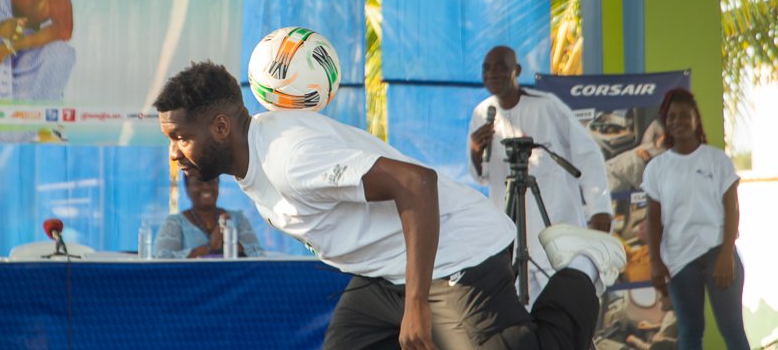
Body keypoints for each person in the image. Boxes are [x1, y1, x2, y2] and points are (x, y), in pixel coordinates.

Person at [154, 61, 626, 349]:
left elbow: (417, 184)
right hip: (384, 274)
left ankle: (583, 265)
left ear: (221, 127)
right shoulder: (254, 149)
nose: (174, 153)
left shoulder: (290, 159)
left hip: (456, 257)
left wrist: (417, 304)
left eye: (180, 137)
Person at [468, 45, 613, 305]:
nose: (492, 74)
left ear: (516, 70)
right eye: (486, 68)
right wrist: (476, 151)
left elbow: (587, 155)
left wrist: (599, 208)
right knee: (520, 314)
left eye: (500, 67)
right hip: (512, 236)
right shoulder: (482, 113)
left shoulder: (546, 106)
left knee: (562, 308)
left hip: (555, 229)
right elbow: (482, 176)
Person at [641, 88, 751, 350]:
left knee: (732, 329)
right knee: (690, 332)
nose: (677, 121)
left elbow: (732, 210)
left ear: (695, 119)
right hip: (679, 260)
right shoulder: (657, 168)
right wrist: (655, 262)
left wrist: (726, 254)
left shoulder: (717, 160)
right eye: (672, 117)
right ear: (665, 122)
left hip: (718, 254)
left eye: (684, 115)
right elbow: (653, 219)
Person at [153, 174, 264, 259]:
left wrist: (230, 243)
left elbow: (260, 254)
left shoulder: (237, 219)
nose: (206, 187)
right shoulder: (174, 223)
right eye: (198, 183)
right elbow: (160, 258)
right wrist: (209, 247)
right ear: (187, 188)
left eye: (211, 182)